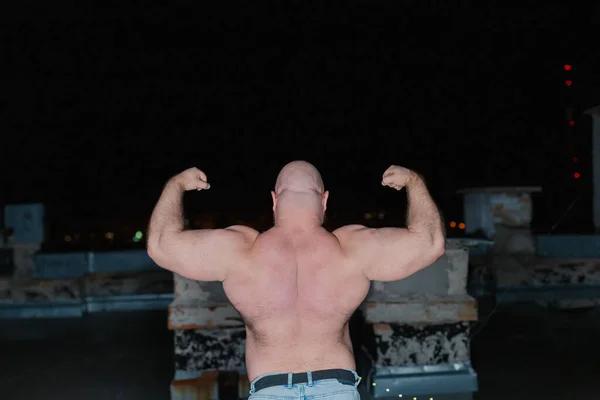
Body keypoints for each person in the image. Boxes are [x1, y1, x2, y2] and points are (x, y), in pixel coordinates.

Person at [147, 161, 445, 400]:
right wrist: (414, 183)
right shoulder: (351, 247)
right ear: (324, 200)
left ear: (274, 200)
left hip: (269, 391)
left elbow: (160, 245)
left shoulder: (241, 249)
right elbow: (430, 242)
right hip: (337, 390)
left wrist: (176, 186)